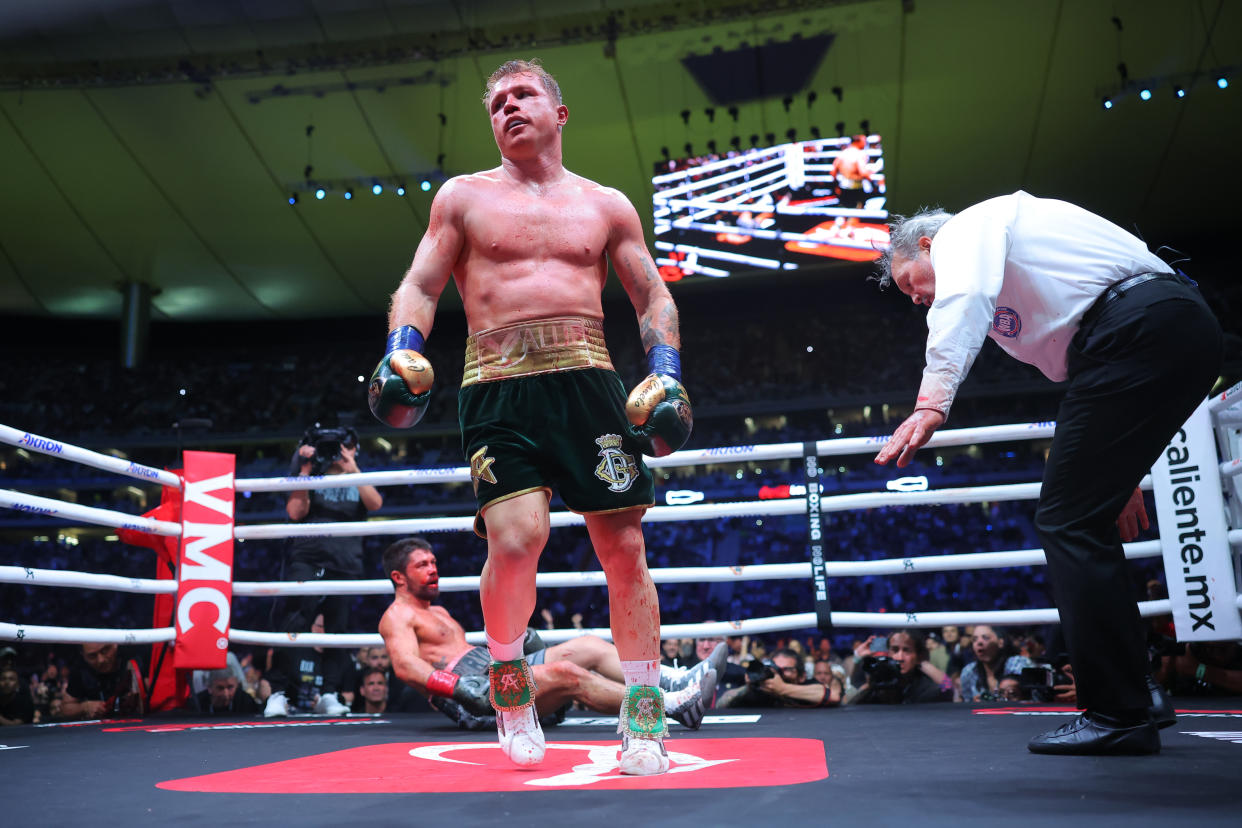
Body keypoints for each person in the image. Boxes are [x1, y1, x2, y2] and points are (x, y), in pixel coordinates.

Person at [368, 58, 692, 775]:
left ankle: (644, 720)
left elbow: (653, 296)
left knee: (625, 548)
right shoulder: (462, 198)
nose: (508, 108)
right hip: (497, 385)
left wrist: (665, 373)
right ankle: (511, 691)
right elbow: (420, 283)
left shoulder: (606, 205)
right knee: (516, 542)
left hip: (590, 383)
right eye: (497, 103)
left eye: (524, 95)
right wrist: (400, 349)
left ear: (559, 112)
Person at [873, 192, 1223, 754]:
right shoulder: (1017, 270)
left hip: (1138, 328)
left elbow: (961, 301)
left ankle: (1117, 712)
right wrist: (1121, 474)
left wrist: (931, 401)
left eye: (908, 280)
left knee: (1065, 521)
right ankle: (1141, 694)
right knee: (1084, 515)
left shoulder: (970, 228)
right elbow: (1086, 376)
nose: (914, 298)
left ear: (926, 244)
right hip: (1168, 332)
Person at [377, 537, 717, 736]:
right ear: (399, 576)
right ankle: (671, 706)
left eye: (434, 561)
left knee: (588, 646)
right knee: (568, 674)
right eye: (422, 565)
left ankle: (676, 679)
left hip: (488, 673)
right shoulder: (397, 616)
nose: (433, 569)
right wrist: (458, 688)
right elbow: (406, 666)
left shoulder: (437, 612)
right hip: (474, 699)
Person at [274, 425, 382, 716]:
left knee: (338, 630)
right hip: (308, 557)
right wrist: (306, 468)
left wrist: (352, 466)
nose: (336, 453)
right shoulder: (310, 474)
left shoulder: (358, 478)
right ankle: (280, 692)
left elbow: (375, 502)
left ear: (354, 448)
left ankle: (330, 693)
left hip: (345, 561)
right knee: (294, 624)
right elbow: (295, 512)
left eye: (344, 446)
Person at [848, 630, 952, 705]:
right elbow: (851, 702)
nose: (900, 657)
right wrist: (858, 658)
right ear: (888, 652)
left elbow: (948, 688)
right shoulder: (879, 683)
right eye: (895, 650)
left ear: (918, 655)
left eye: (907, 650)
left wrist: (922, 661)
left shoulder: (924, 688)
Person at [716, 647, 841, 708]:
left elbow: (833, 696)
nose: (779, 674)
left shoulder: (806, 687)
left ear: (801, 676)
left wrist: (783, 688)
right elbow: (721, 704)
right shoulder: (760, 691)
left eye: (786, 670)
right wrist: (749, 687)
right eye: (776, 668)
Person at [61, 642, 146, 720]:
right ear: (83, 655)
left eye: (105, 650)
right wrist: (84, 707)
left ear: (115, 644)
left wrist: (140, 697)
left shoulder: (135, 657)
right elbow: (66, 708)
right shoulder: (80, 670)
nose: (101, 660)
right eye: (92, 656)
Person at [957, 625, 1034, 702]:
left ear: (1001, 642)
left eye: (985, 637)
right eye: (974, 639)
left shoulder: (1018, 663)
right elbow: (966, 702)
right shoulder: (969, 671)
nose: (979, 642)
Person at [192, 668, 260, 715]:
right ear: (209, 688)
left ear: (236, 685)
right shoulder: (196, 703)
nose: (226, 694)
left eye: (230, 687)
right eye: (220, 688)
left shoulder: (245, 701)